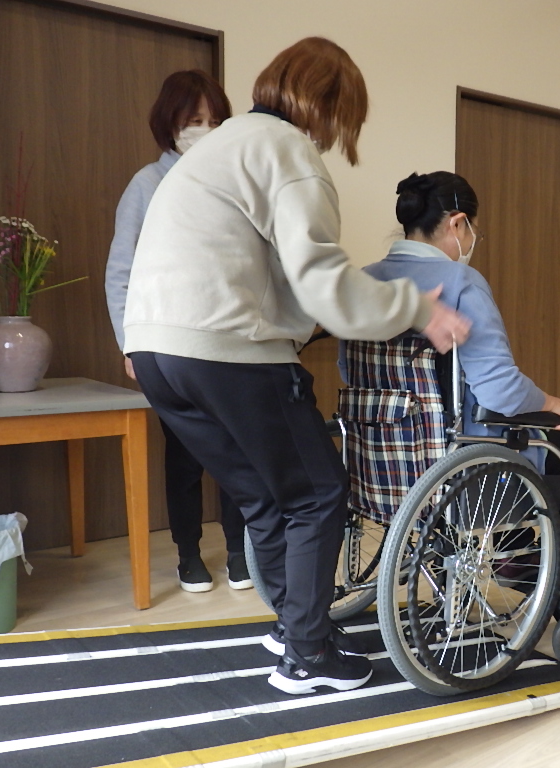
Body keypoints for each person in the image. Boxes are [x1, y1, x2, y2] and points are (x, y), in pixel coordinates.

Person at [123, 38, 470, 695]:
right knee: (317, 494)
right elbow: (325, 285)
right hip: (226, 351)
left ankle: (295, 627)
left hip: (156, 350)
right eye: (344, 118)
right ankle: (307, 655)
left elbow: (260, 266)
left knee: (263, 496)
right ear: (328, 104)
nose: (337, 136)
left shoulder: (219, 147)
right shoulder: (287, 152)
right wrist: (418, 309)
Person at [104, 71, 252, 594]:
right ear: (170, 124)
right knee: (186, 456)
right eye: (194, 121)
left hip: (226, 342)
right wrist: (130, 344)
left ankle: (239, 552)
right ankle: (188, 553)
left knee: (236, 452)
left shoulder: (230, 183)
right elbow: (121, 271)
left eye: (215, 121)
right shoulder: (147, 184)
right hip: (167, 344)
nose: (205, 131)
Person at [342, 171, 560, 457]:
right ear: (457, 223)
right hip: (456, 456)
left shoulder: (365, 280)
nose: (472, 242)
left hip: (374, 457)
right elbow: (500, 391)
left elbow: (348, 370)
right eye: (473, 231)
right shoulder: (461, 282)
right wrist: (551, 403)